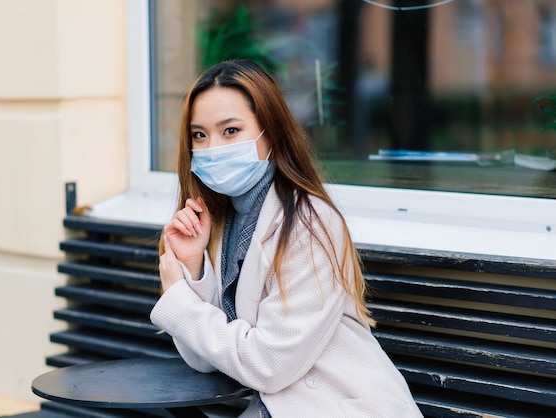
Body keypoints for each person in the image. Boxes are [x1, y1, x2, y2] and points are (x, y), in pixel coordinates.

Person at [150, 59, 422, 417]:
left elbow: (269, 364)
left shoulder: (309, 223)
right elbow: (205, 360)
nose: (212, 147)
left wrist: (178, 299)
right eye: (199, 135)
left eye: (230, 131)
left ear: (271, 132)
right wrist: (193, 268)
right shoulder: (220, 220)